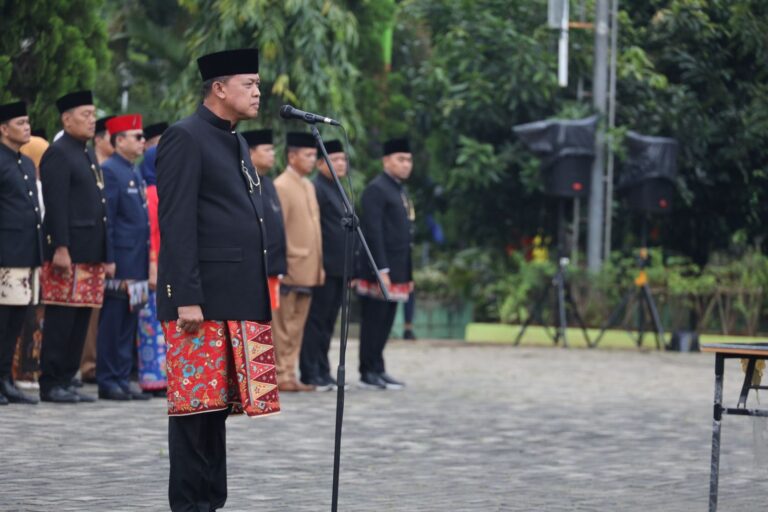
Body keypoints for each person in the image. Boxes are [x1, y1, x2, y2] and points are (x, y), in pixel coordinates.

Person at [156, 48, 279, 511]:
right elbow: (177, 223)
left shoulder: (236, 141)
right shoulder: (184, 138)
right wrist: (185, 297)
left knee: (218, 413)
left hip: (235, 299)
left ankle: (212, 503)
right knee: (194, 414)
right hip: (200, 304)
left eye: (259, 84)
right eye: (250, 84)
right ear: (219, 88)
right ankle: (190, 506)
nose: (258, 92)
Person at [38, 90, 114, 404]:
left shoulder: (86, 153)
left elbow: (100, 205)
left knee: (81, 316)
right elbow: (56, 206)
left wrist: (107, 254)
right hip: (68, 252)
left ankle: (67, 378)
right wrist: (61, 247)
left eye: (93, 114)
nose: (91, 120)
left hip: (91, 252)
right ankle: (51, 381)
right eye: (84, 115)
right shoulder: (58, 152)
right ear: (66, 120)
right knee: (61, 317)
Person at [95, 113, 152, 401]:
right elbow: (109, 220)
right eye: (137, 137)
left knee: (129, 322)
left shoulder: (133, 170)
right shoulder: (111, 170)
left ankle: (121, 376)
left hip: (137, 258)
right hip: (120, 260)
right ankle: (107, 379)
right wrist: (109, 257)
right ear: (119, 141)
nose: (143, 142)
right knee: (114, 321)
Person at [356, 137, 415, 390]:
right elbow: (373, 232)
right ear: (386, 161)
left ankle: (379, 367)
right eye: (400, 159)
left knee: (387, 321)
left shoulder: (399, 189)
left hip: (399, 267)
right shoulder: (376, 190)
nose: (406, 165)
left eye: (409, 160)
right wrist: (382, 269)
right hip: (379, 269)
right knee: (374, 321)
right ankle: (368, 370)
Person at [272, 132, 324, 392]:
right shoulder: (282, 185)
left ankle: (290, 373)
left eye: (314, 155)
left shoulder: (308, 185)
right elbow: (278, 230)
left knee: (298, 326)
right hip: (291, 267)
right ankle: (280, 374)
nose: (313, 160)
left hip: (309, 268)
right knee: (283, 325)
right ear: (292, 156)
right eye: (308, 155)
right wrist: (281, 265)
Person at [0, 101, 43, 405]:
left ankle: (6, 379)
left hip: (26, 256)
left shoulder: (26, 163)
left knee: (16, 321)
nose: (27, 127)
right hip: (5, 256)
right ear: (4, 129)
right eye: (20, 122)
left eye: (28, 122)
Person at [299, 139, 347, 390]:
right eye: (334, 159)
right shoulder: (317, 188)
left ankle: (324, 369)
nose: (340, 164)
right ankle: (310, 371)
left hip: (340, 267)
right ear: (320, 163)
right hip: (323, 266)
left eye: (343, 159)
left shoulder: (339, 188)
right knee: (316, 321)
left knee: (329, 322)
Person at [80, 114, 115, 385]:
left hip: (103, 251)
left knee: (96, 313)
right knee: (86, 315)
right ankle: (85, 366)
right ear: (100, 139)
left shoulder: (104, 166)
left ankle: (91, 365)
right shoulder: (97, 164)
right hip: (86, 249)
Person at [242, 129, 285, 311]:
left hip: (273, 267)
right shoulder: (243, 182)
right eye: (267, 150)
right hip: (253, 270)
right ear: (250, 152)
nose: (272, 154)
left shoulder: (267, 183)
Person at [136, 132, 166, 395]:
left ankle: (160, 376)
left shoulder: (159, 190)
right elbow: (152, 232)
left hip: (164, 265)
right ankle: (152, 377)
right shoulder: (152, 193)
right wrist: (154, 265)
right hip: (156, 266)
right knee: (152, 325)